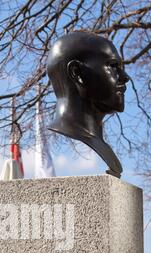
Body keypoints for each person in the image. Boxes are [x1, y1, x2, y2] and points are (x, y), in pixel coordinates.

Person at [47, 31, 130, 178]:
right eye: (113, 66)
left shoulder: (103, 147)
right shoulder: (60, 142)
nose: (124, 77)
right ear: (77, 73)